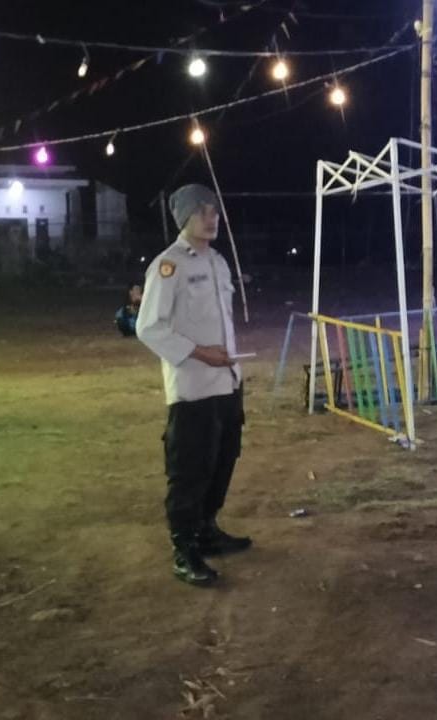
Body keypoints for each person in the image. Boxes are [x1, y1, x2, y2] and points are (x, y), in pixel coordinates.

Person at [136, 184, 251, 587]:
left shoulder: (218, 262)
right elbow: (148, 327)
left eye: (214, 210)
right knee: (189, 471)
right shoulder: (169, 266)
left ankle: (207, 529)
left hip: (227, 383)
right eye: (202, 211)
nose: (211, 217)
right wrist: (201, 353)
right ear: (184, 217)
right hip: (193, 389)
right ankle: (184, 549)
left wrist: (229, 366)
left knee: (223, 461)